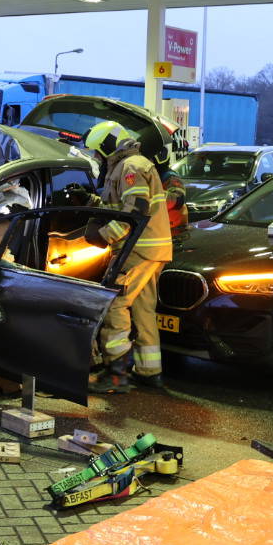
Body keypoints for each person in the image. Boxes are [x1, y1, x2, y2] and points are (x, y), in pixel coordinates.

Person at [83, 120, 173, 393]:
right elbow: (123, 205)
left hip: (138, 248)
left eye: (98, 152)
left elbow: (135, 213)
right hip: (153, 249)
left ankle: (117, 373)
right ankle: (149, 372)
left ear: (108, 146)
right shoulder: (131, 165)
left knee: (114, 303)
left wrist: (104, 236)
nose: (97, 158)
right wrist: (92, 201)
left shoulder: (130, 167)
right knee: (144, 310)